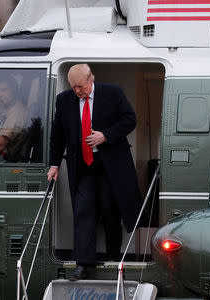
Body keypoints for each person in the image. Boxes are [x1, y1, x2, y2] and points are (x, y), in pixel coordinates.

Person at [47, 64, 141, 281]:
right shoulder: (64, 100)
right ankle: (82, 263)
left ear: (91, 80)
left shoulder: (113, 92)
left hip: (110, 164)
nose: (77, 91)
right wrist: (54, 165)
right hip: (82, 166)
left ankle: (114, 257)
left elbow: (130, 120)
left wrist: (105, 136)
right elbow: (57, 135)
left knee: (110, 211)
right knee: (83, 211)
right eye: (73, 87)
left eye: (80, 87)